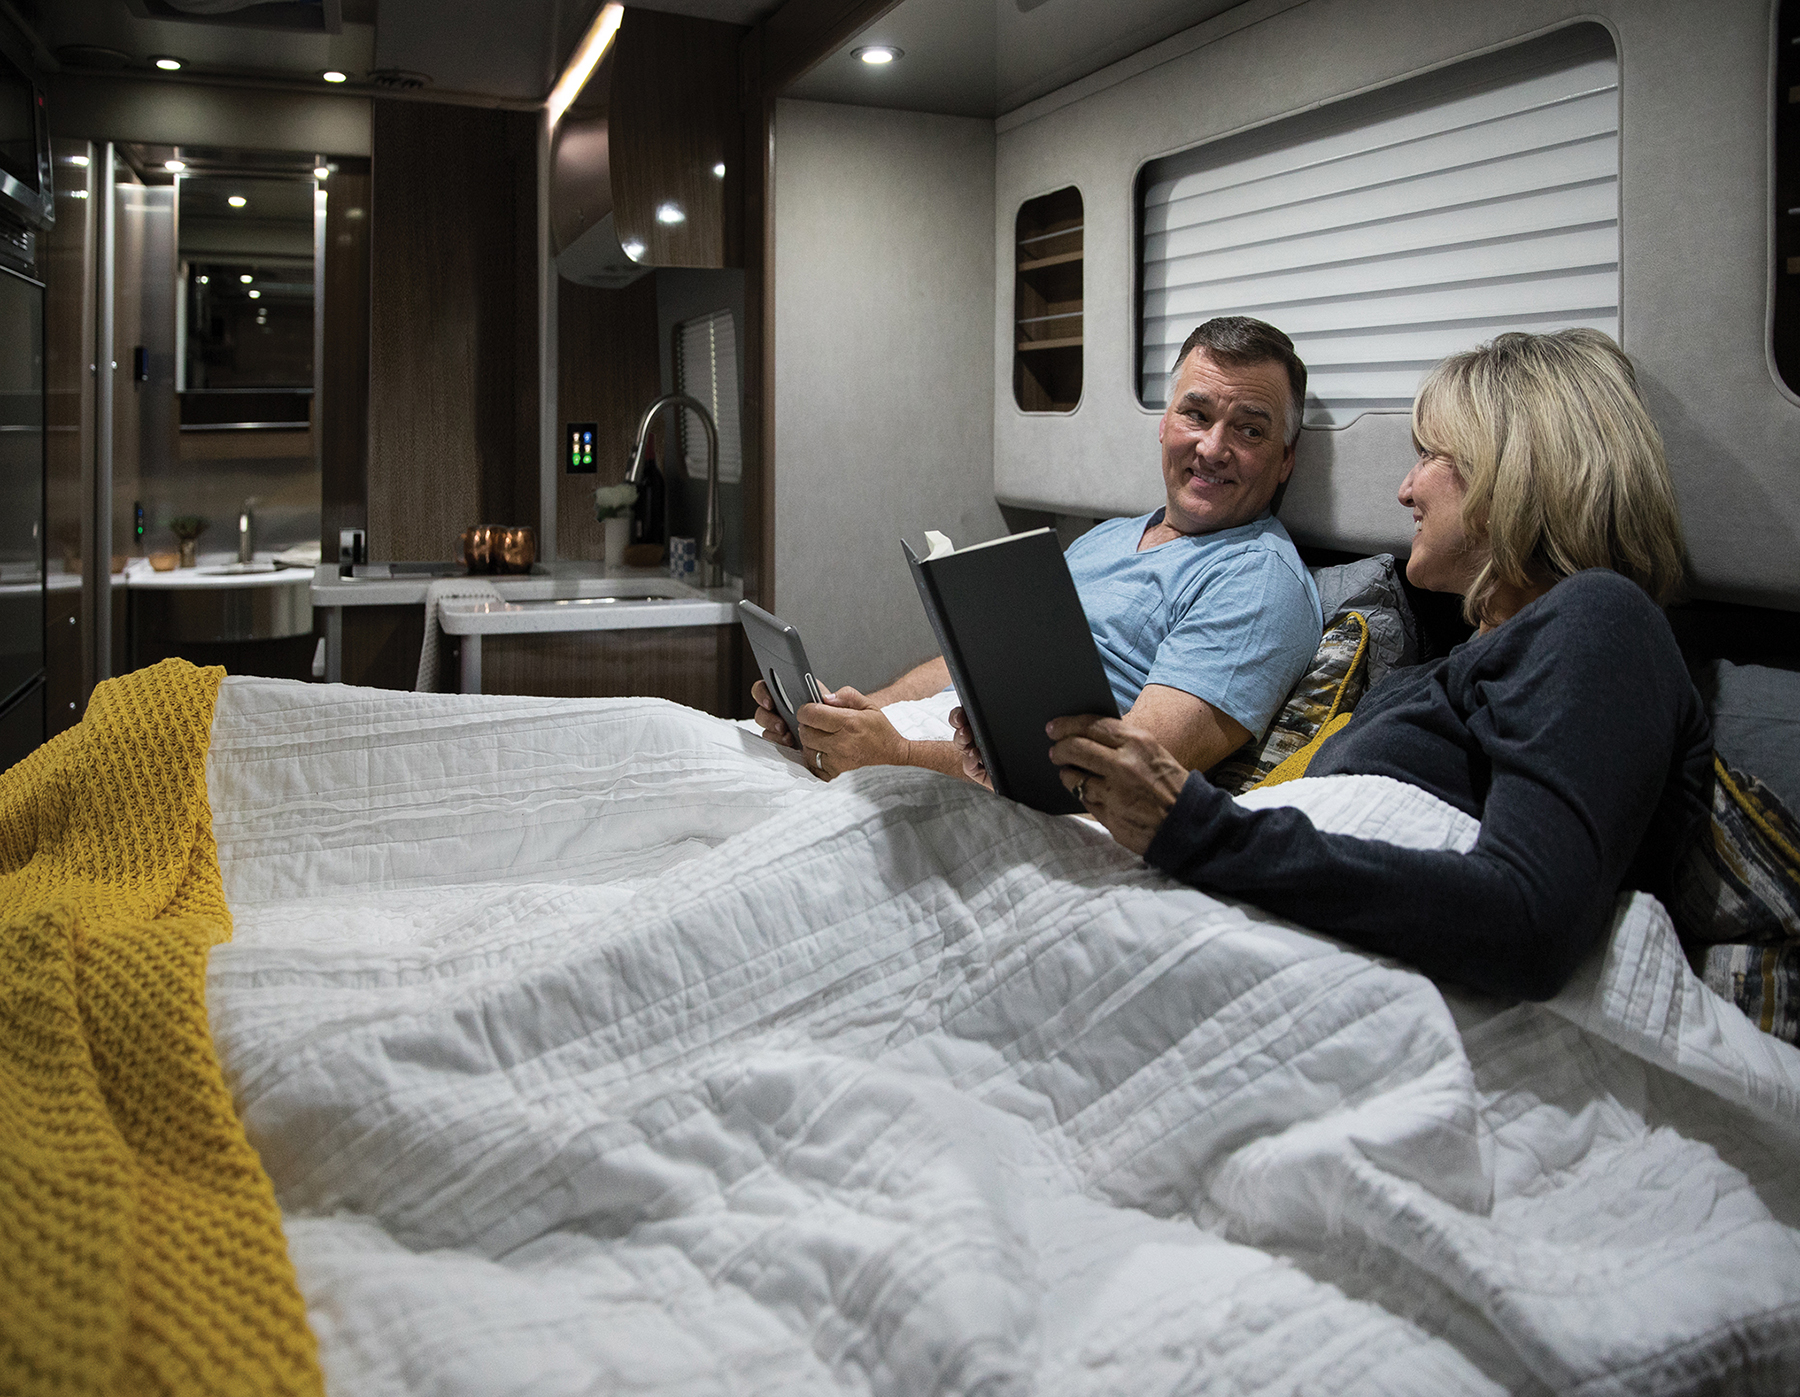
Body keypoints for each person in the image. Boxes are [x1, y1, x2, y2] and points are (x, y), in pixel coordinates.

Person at [1019, 328, 1713, 1002]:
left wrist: (1194, 826)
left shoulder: (1601, 618)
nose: (1406, 490)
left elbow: (1529, 921)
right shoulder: (1452, 668)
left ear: (1514, 475)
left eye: (1431, 455)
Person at [753, 317, 1324, 781]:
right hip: (942, 743)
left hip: (1030, 790)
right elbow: (969, 663)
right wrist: (853, 716)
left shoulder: (1258, 579)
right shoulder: (1107, 537)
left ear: (1286, 459)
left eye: (1250, 430)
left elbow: (1135, 766)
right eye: (1196, 415)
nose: (1213, 447)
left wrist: (895, 754)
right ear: (1165, 423)